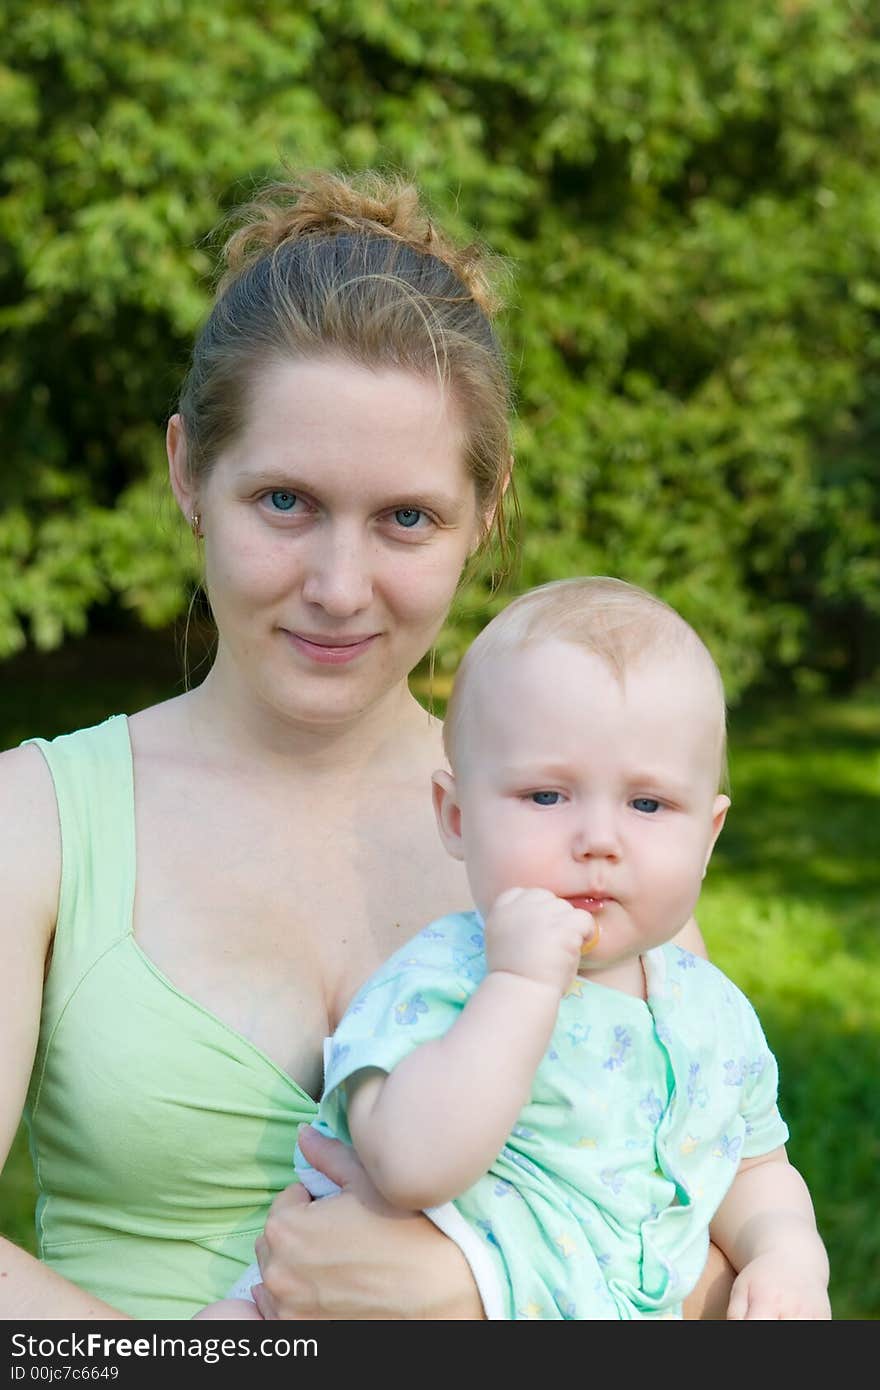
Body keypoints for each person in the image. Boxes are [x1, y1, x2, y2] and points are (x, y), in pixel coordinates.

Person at [0, 170, 725, 1321]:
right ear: (190, 472)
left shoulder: (583, 828)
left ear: (481, 519)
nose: (338, 589)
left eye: (406, 518)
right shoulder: (35, 818)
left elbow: (714, 1240)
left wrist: (476, 1295)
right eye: (284, 502)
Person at [199, 577, 831, 1321]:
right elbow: (408, 1165)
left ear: (708, 838)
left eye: (648, 804)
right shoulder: (443, 981)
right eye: (546, 797)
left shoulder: (711, 1011)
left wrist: (786, 1251)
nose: (599, 839)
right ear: (458, 817)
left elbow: (751, 1164)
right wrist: (521, 987)